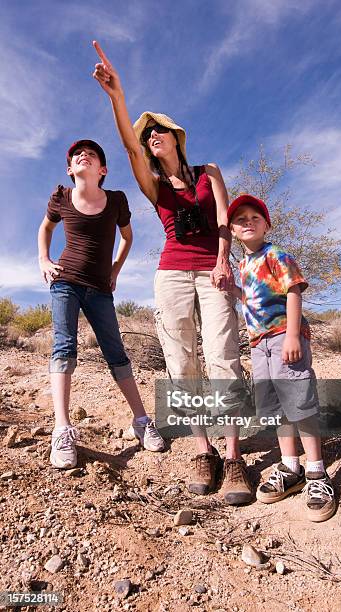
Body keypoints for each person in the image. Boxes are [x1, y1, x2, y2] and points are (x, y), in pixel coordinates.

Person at [92, 41, 252, 505]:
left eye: (159, 130)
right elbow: (126, 144)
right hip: (172, 274)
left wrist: (224, 260)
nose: (152, 137)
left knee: (223, 356)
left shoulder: (209, 171)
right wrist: (117, 97)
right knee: (182, 362)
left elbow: (223, 218)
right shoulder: (154, 185)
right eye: (148, 135)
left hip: (213, 270)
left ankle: (234, 454)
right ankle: (204, 452)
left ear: (176, 135)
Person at [37, 139, 165, 469]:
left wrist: (116, 270)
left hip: (99, 289)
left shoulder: (116, 201)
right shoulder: (62, 196)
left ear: (102, 170)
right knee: (64, 347)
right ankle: (62, 429)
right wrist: (43, 259)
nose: (84, 156)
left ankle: (141, 421)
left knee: (116, 352)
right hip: (65, 281)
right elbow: (46, 228)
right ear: (70, 169)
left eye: (91, 154)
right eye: (78, 155)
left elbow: (128, 237)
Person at [227, 194, 336, 522]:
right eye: (240, 219)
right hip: (259, 344)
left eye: (254, 217)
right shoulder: (244, 265)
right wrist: (231, 290)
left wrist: (291, 334)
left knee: (299, 403)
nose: (248, 222)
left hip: (283, 338)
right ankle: (291, 468)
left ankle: (317, 473)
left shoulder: (277, 255)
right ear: (232, 231)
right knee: (276, 407)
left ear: (267, 224)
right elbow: (249, 299)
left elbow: (292, 291)